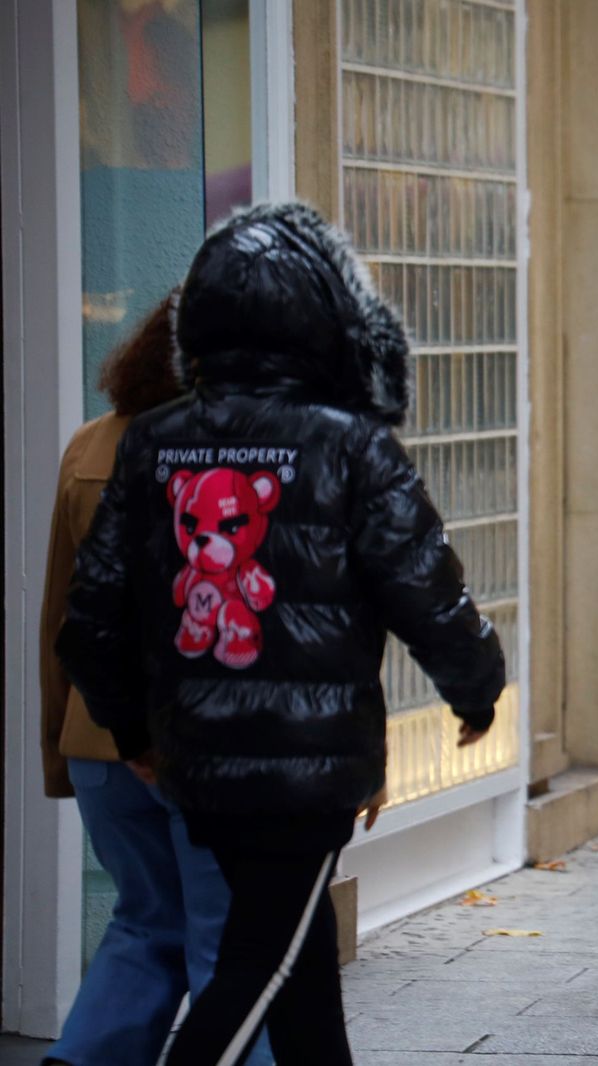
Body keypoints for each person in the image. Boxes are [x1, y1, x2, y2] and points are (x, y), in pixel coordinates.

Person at [56, 202, 507, 1063]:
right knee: (257, 965)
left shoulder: (152, 443)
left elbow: (93, 618)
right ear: (330, 318)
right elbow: (426, 588)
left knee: (299, 968)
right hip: (309, 768)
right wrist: (478, 689)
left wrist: (134, 732)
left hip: (199, 762)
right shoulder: (351, 446)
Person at [39, 296, 273, 1066]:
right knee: (232, 950)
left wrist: (59, 748)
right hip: (211, 746)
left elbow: (60, 620)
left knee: (145, 925)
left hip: (99, 741)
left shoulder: (87, 447)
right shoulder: (247, 462)